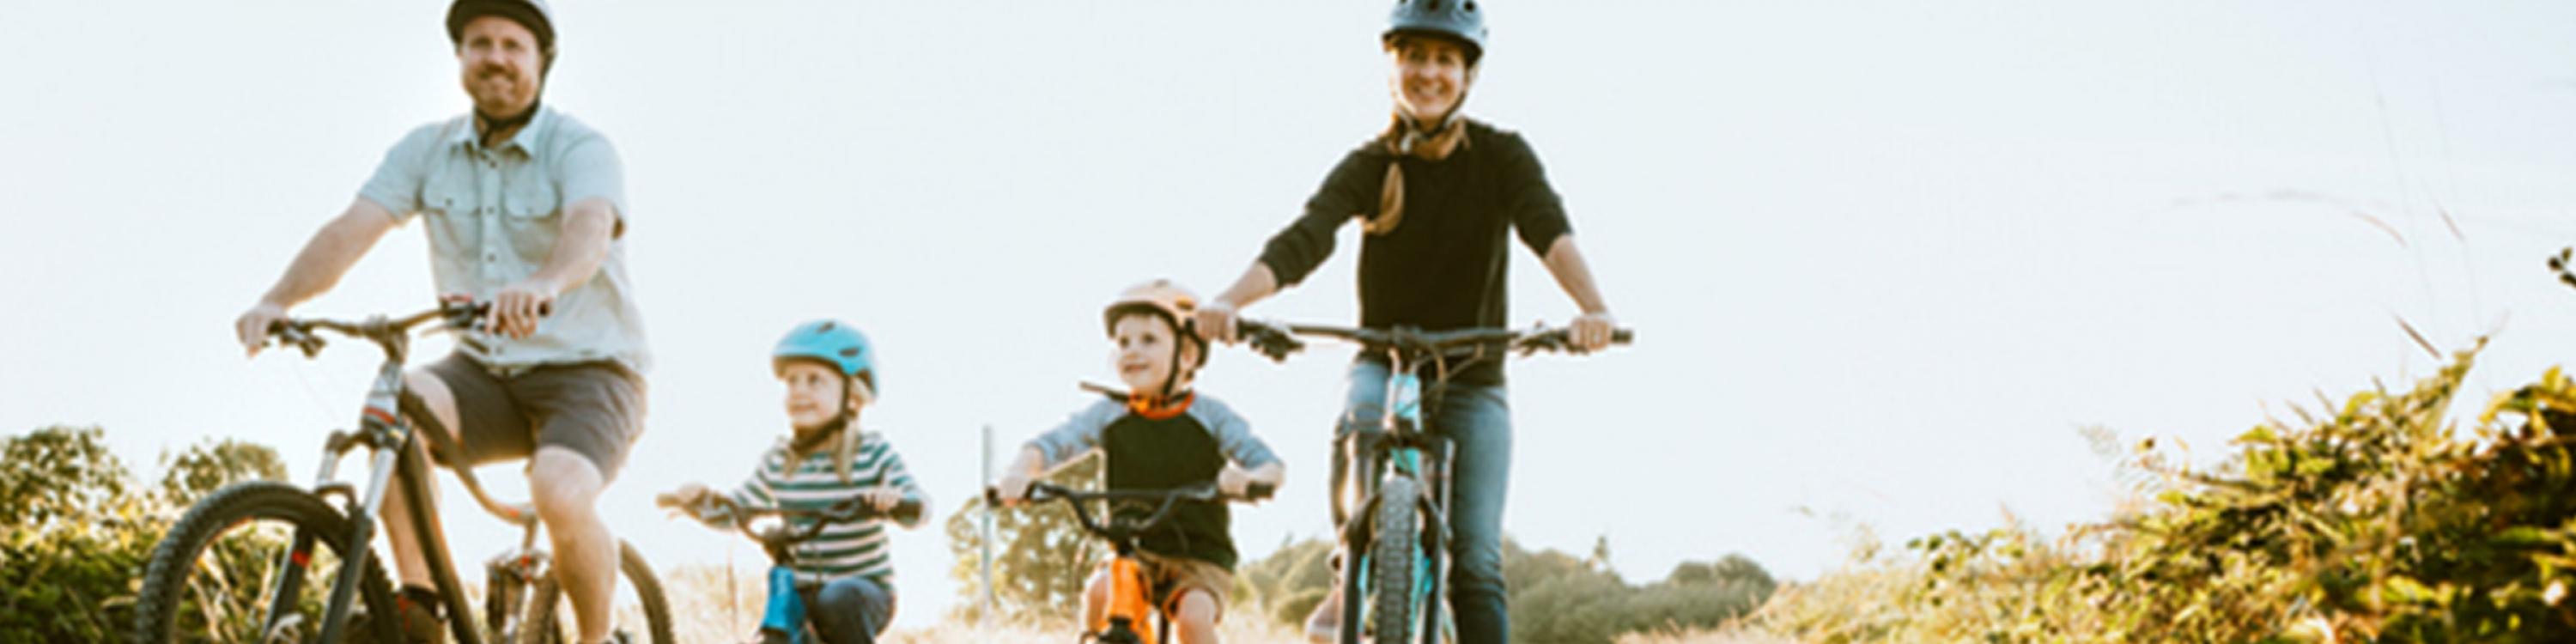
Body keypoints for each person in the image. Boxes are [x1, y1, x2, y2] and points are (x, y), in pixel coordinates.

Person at [1188, 2, 1619, 641]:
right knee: (1360, 413)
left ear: (1468, 76)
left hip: (1475, 380)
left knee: (1474, 562)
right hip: (1383, 362)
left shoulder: (1502, 156)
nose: (1429, 72)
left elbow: (1547, 228)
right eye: (1415, 56)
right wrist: (1228, 301)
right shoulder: (1371, 164)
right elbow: (1306, 238)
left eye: (1445, 59)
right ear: (1392, 68)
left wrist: (1593, 309)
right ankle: (1350, 566)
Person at [229, 2, 646, 641]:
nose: (496, 57)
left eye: (513, 45)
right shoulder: (427, 150)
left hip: (589, 370)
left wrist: (543, 283)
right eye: (480, 44)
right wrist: (277, 300)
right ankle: (419, 607)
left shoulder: (580, 148)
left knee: (558, 493)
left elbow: (589, 229)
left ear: (542, 63)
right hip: (484, 370)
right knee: (395, 408)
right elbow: (350, 230)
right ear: (460, 59)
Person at [993, 280, 1287, 644]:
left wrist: (1246, 479)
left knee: (1194, 620)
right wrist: (1021, 470)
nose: (1131, 352)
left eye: (1149, 340)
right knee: (1102, 593)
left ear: (1188, 356)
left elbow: (1269, 465)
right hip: (1135, 550)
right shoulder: (1110, 414)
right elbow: (1053, 444)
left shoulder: (1211, 415)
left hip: (1200, 556)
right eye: (1123, 342)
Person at [667, 320, 928, 643]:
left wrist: (894, 499)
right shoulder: (779, 460)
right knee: (778, 625)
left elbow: (920, 506)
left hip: (862, 592)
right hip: (801, 590)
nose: (799, 391)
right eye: (791, 382)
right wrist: (699, 501)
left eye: (814, 381)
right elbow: (738, 509)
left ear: (852, 397)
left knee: (837, 600)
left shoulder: (872, 452)